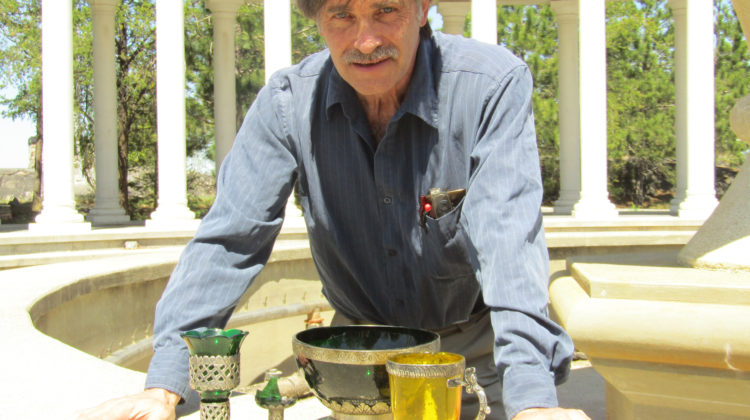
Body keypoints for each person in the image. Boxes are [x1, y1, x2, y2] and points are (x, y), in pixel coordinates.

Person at [76, 1, 591, 419]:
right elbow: (230, 240)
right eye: (341, 14)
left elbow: (508, 236)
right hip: (355, 365)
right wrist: (164, 385)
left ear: (422, 8)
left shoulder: (491, 85)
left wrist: (533, 398)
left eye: (385, 10)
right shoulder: (285, 103)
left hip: (477, 356)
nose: (365, 40)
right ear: (316, 19)